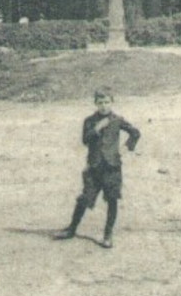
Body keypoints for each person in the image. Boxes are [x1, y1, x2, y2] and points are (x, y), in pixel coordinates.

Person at [53, 90, 141, 249]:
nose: (103, 105)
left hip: (112, 167)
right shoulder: (90, 121)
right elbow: (85, 140)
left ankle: (108, 235)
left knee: (112, 200)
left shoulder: (117, 120)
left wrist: (126, 148)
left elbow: (135, 133)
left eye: (107, 102)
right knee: (84, 198)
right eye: (100, 102)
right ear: (95, 103)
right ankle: (71, 229)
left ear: (112, 102)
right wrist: (97, 128)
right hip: (94, 167)